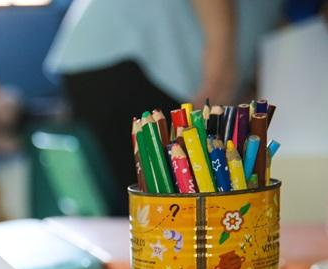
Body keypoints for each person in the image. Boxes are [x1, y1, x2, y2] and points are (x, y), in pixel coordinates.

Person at [45, 0, 282, 215]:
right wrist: (222, 55)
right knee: (158, 210)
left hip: (111, 48)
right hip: (137, 53)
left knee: (147, 211)